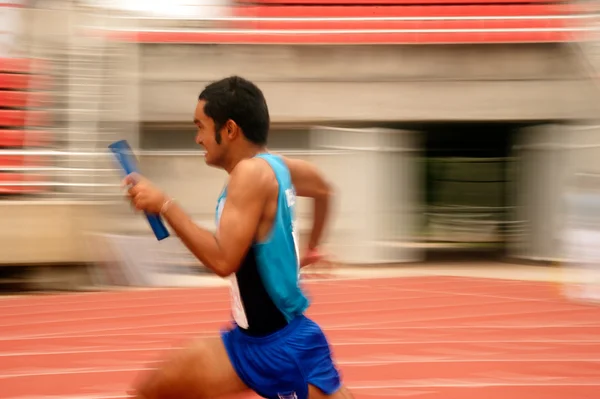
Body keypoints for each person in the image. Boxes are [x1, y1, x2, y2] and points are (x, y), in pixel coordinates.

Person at [125, 76, 354, 399]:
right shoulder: (278, 166)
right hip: (245, 345)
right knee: (154, 389)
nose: (197, 138)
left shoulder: (249, 174)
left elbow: (223, 260)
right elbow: (324, 190)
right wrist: (313, 246)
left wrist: (165, 205)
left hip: (284, 349)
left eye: (201, 127)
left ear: (230, 130)